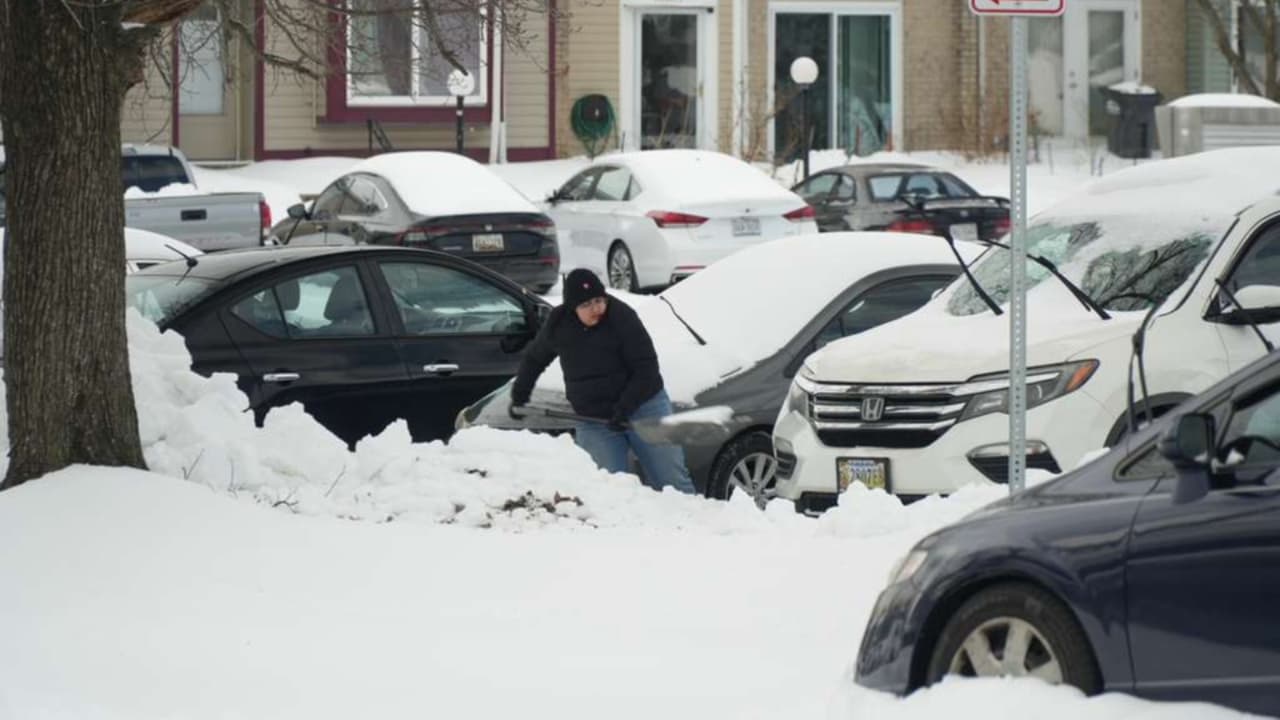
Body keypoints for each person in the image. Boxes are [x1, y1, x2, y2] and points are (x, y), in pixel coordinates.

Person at [509, 268, 696, 494]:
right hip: (593, 418)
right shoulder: (558, 324)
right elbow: (535, 358)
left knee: (672, 483)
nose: (596, 309)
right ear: (572, 308)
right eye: (586, 305)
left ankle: (689, 527)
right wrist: (520, 392)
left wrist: (624, 408)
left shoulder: (622, 317)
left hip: (644, 406)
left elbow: (646, 369)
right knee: (607, 491)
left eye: (599, 300)